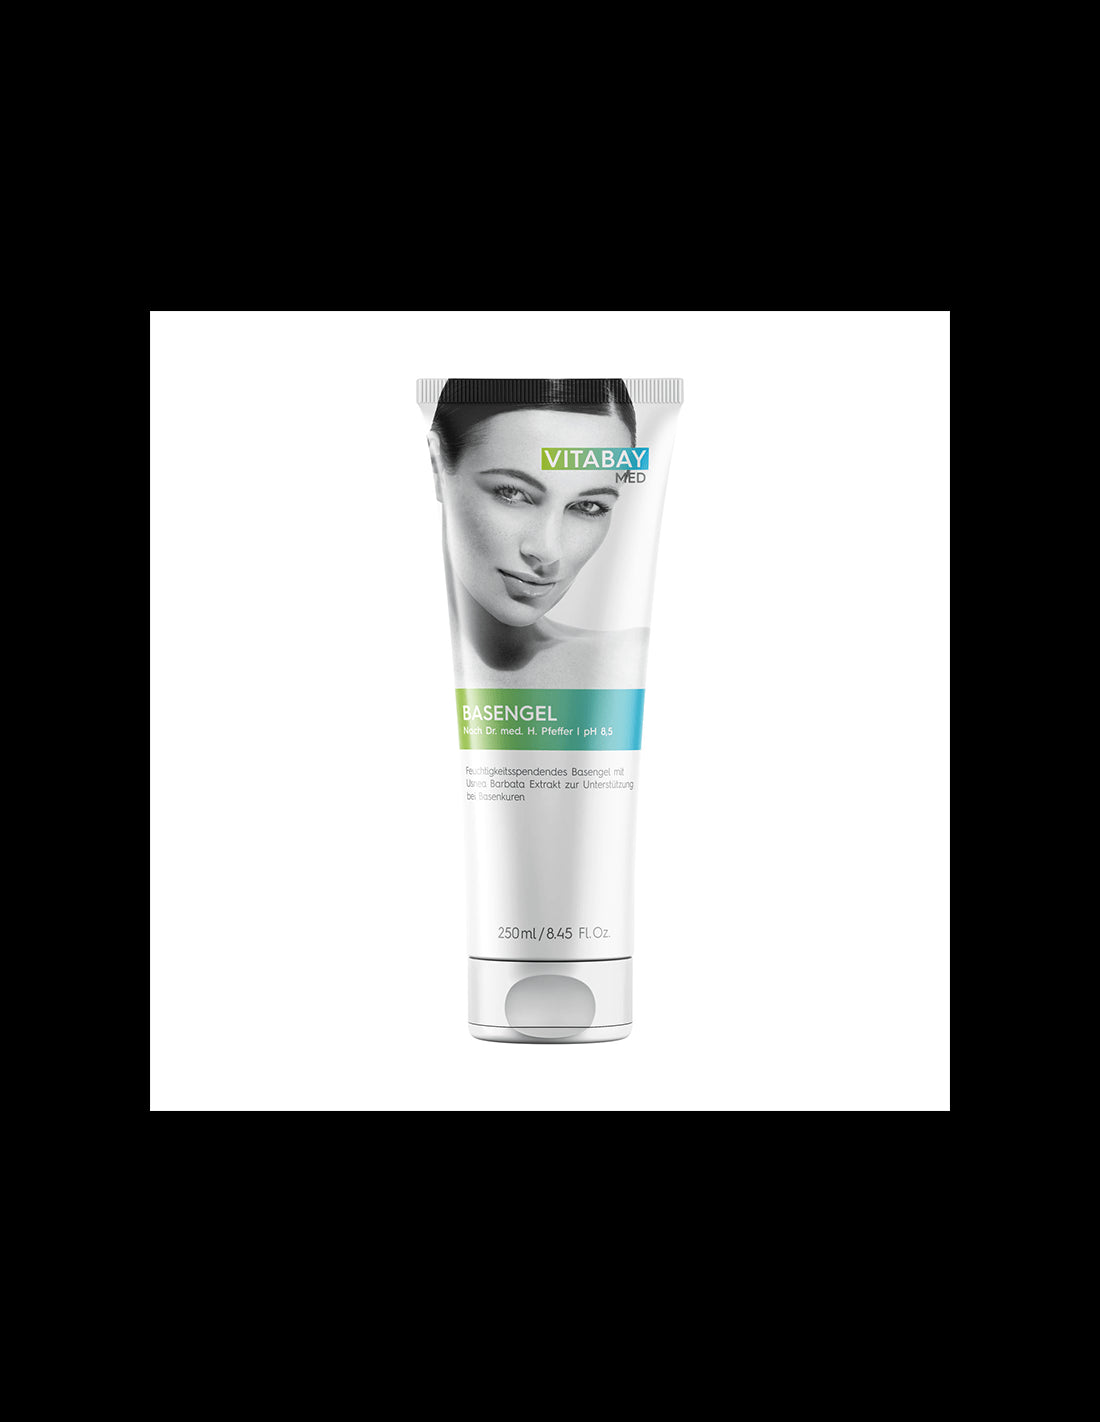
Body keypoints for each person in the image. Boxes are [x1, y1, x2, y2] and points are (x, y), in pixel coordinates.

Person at [429, 379, 648, 688]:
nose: (548, 551)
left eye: (588, 506)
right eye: (512, 493)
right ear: (436, 466)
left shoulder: (632, 666)